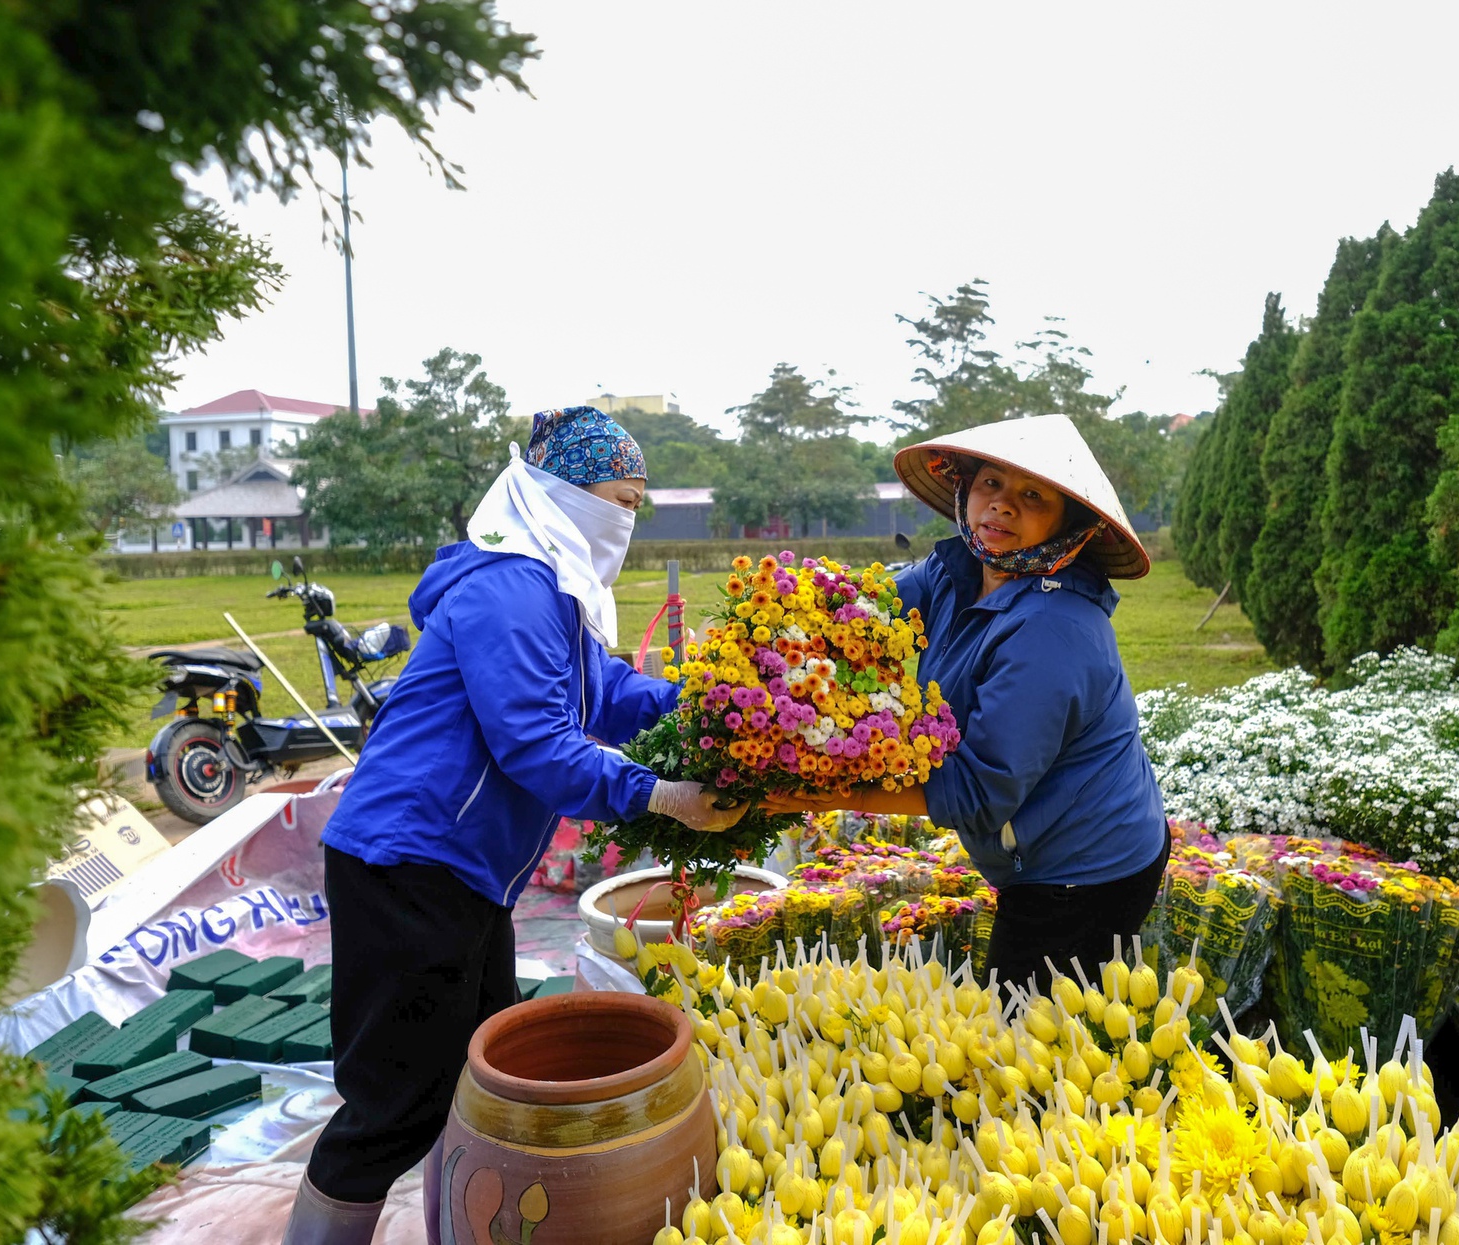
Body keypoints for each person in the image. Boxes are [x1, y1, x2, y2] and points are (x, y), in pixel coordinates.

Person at [282, 407, 745, 1245]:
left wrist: (716, 706)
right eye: (619, 499)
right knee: (395, 1102)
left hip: (461, 876)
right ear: (559, 492)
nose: (626, 521)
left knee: (479, 1072)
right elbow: (538, 745)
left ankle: (457, 1226)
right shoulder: (511, 587)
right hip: (408, 865)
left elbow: (603, 691)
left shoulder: (555, 590)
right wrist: (663, 795)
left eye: (638, 505)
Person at [765, 413, 1167, 996]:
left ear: (1068, 525)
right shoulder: (957, 570)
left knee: (1031, 1041)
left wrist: (831, 791)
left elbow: (980, 793)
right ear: (965, 490)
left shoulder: (1053, 630)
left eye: (1032, 496)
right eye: (991, 484)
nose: (1002, 506)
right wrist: (770, 631)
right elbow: (860, 612)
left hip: (1085, 870)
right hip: (1035, 845)